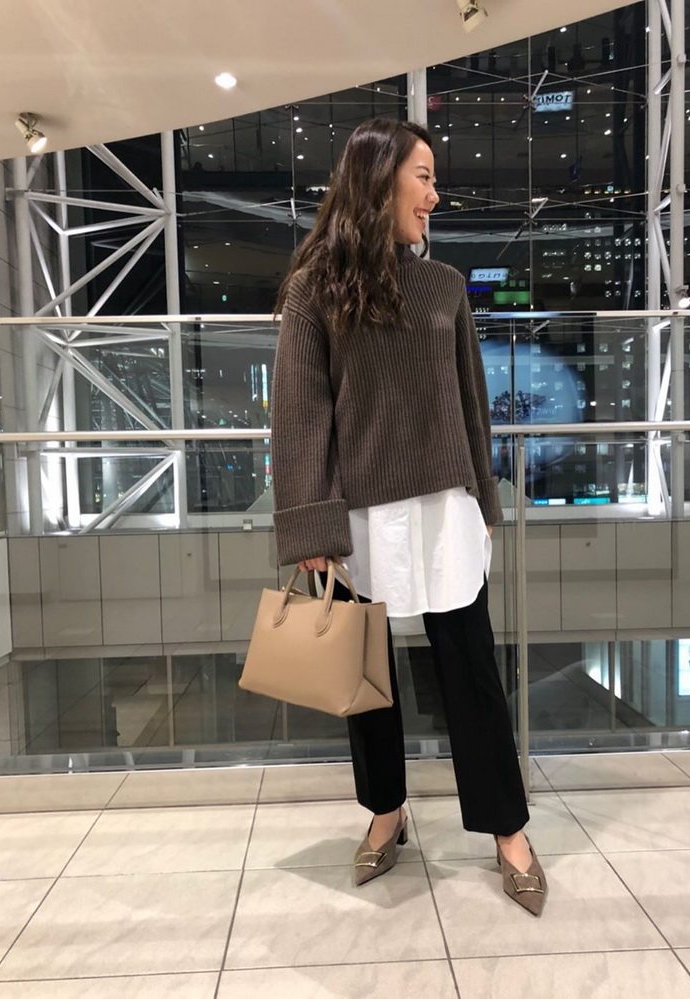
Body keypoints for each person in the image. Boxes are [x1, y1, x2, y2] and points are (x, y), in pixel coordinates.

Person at [270, 117, 546, 917]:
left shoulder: (445, 286)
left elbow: (471, 404)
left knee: (473, 672)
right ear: (378, 178)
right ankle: (385, 812)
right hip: (359, 514)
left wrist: (485, 499)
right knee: (368, 680)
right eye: (423, 176)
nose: (434, 194)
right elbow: (300, 414)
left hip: (445, 506)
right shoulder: (314, 288)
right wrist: (311, 527)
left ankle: (508, 829)